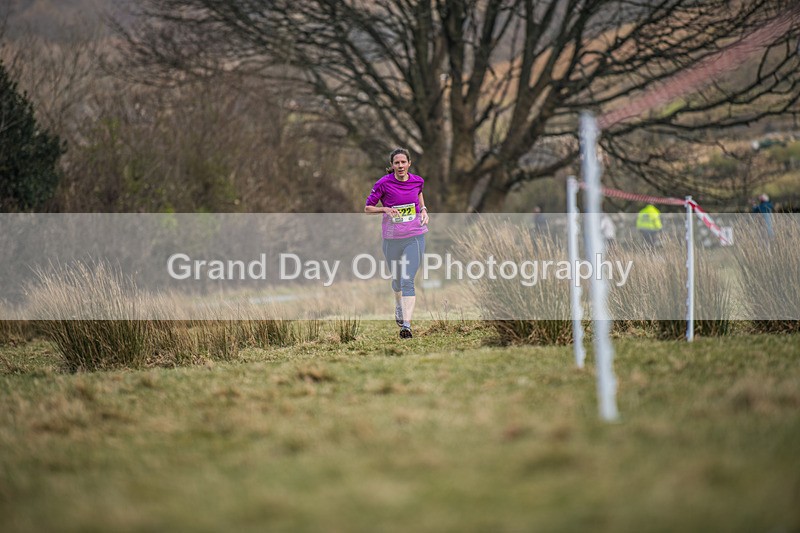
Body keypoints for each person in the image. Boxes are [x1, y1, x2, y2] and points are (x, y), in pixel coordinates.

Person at [365, 148, 429, 339]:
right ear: (392, 165)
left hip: (415, 236)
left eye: (403, 162)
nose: (400, 166)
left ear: (409, 163)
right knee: (397, 278)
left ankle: (407, 326)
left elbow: (419, 194)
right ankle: (399, 305)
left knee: (408, 279)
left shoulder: (418, 181)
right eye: (396, 163)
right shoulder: (383, 184)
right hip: (392, 239)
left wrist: (424, 209)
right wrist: (385, 209)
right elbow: (367, 208)